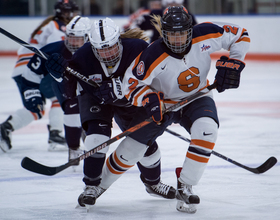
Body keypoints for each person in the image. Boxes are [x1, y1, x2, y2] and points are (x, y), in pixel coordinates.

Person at [54, 5, 249, 213]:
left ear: (190, 30)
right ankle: (98, 187)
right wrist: (148, 98)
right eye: (172, 35)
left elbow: (240, 35)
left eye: (182, 34)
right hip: (163, 104)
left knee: (207, 130)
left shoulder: (206, 34)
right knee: (132, 150)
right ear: (163, 33)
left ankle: (185, 186)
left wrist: (235, 62)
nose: (177, 40)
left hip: (197, 98)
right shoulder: (151, 55)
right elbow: (131, 86)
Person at [45, 17, 176, 208]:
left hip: (130, 100)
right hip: (96, 99)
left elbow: (154, 79)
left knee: (145, 146)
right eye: (100, 49)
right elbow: (69, 93)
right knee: (95, 139)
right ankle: (90, 186)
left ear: (118, 41)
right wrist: (58, 74)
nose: (106, 53)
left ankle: (153, 184)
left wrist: (122, 88)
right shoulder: (83, 55)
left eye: (111, 47)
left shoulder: (138, 49)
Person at [0, 0, 79, 152]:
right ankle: (55, 134)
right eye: (71, 12)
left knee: (35, 108)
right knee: (60, 96)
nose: (73, 15)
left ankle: (6, 128)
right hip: (33, 70)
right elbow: (57, 52)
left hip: (24, 69)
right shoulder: (58, 27)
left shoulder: (51, 24)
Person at [20, 15, 91, 163]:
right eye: (71, 38)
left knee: (94, 118)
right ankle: (73, 149)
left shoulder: (96, 51)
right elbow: (30, 72)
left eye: (78, 39)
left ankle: (87, 133)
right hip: (65, 87)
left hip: (90, 89)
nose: (73, 43)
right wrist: (32, 93)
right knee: (72, 110)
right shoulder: (53, 49)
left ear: (88, 37)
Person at [123, 0, 197, 43]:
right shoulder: (154, 14)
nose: (173, 8)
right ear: (165, 5)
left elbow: (196, 31)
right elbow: (131, 27)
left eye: (176, 5)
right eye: (170, 5)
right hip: (157, 48)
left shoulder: (187, 16)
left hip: (181, 46)